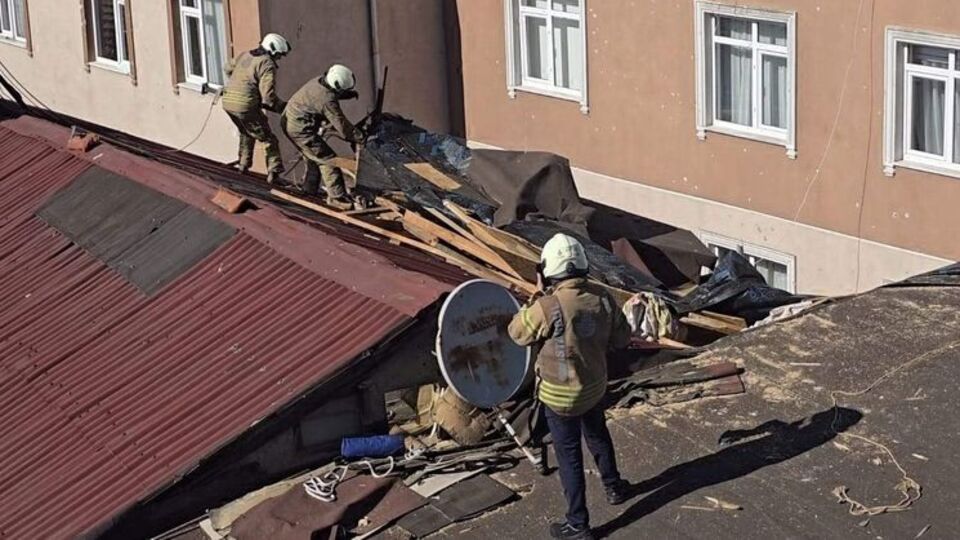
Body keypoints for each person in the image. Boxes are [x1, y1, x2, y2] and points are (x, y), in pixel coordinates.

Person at [508, 233, 632, 540]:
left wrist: (536, 297)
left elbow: (517, 333)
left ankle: (578, 524)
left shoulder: (548, 306)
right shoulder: (603, 297)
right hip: (594, 387)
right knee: (598, 435)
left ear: (549, 270)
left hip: (560, 397)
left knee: (570, 456)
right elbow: (622, 339)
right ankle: (614, 486)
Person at [281, 64, 363, 210]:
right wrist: (361, 137)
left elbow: (331, 92)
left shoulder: (319, 80)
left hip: (290, 122)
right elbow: (343, 127)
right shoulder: (326, 101)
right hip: (300, 130)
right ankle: (337, 198)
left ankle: (309, 188)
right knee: (328, 159)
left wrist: (346, 94)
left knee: (313, 157)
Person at [222, 33, 291, 184]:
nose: (278, 59)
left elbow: (227, 68)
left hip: (227, 102)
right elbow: (268, 97)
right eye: (279, 55)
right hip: (245, 105)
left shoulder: (245, 55)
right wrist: (284, 109)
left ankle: (243, 164)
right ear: (273, 51)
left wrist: (238, 84)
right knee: (268, 138)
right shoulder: (267, 64)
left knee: (246, 131)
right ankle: (274, 173)